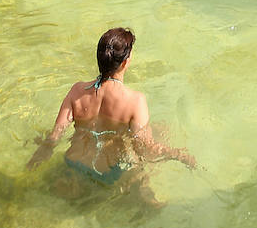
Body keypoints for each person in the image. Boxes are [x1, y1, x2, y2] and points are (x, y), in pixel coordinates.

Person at [26, 27, 195, 188]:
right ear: (125, 62)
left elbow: (56, 135)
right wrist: (179, 155)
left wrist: (42, 151)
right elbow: (146, 149)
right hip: (106, 174)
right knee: (161, 133)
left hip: (72, 163)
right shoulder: (136, 101)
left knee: (157, 129)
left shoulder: (77, 90)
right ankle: (145, 195)